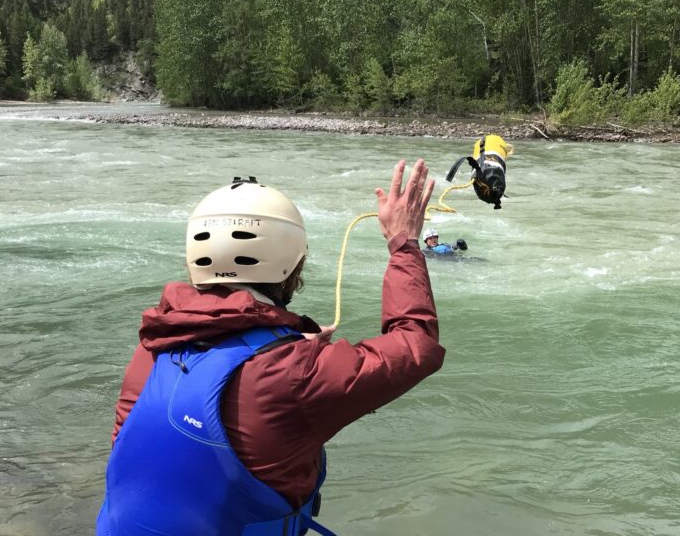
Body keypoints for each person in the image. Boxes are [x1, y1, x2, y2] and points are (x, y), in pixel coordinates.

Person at [97, 160, 445, 536]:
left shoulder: (154, 343)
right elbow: (415, 343)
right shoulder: (296, 372)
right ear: (293, 265)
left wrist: (291, 347)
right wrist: (404, 243)